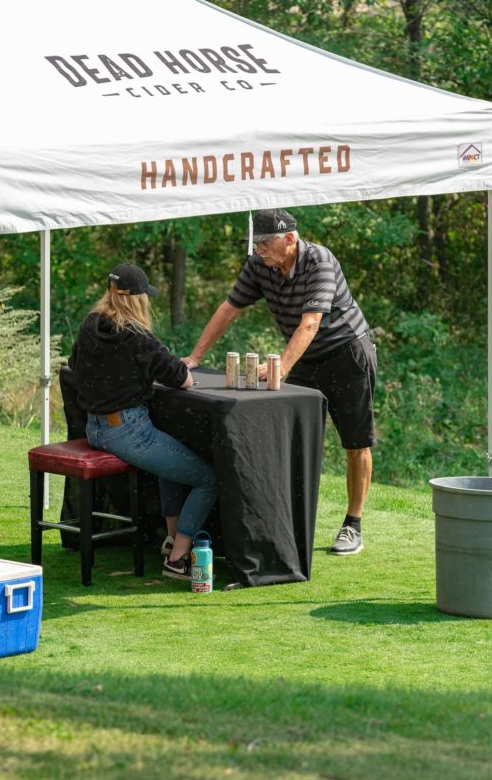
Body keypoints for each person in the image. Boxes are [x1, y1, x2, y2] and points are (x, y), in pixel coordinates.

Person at [183, 208, 376, 556]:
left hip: (346, 354)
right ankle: (287, 523)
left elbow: (311, 324)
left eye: (264, 243)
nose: (258, 251)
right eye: (254, 245)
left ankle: (353, 524)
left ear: (290, 238)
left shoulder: (320, 260)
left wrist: (283, 367)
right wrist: (195, 357)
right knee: (290, 442)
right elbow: (229, 308)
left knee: (355, 442)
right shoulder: (259, 265)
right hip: (303, 358)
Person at [69, 262, 218, 580]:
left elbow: (74, 365)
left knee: (170, 460)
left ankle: (170, 539)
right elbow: (183, 379)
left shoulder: (89, 325)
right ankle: (178, 560)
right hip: (127, 431)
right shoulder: (138, 337)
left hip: (95, 428)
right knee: (208, 478)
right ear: (138, 299)